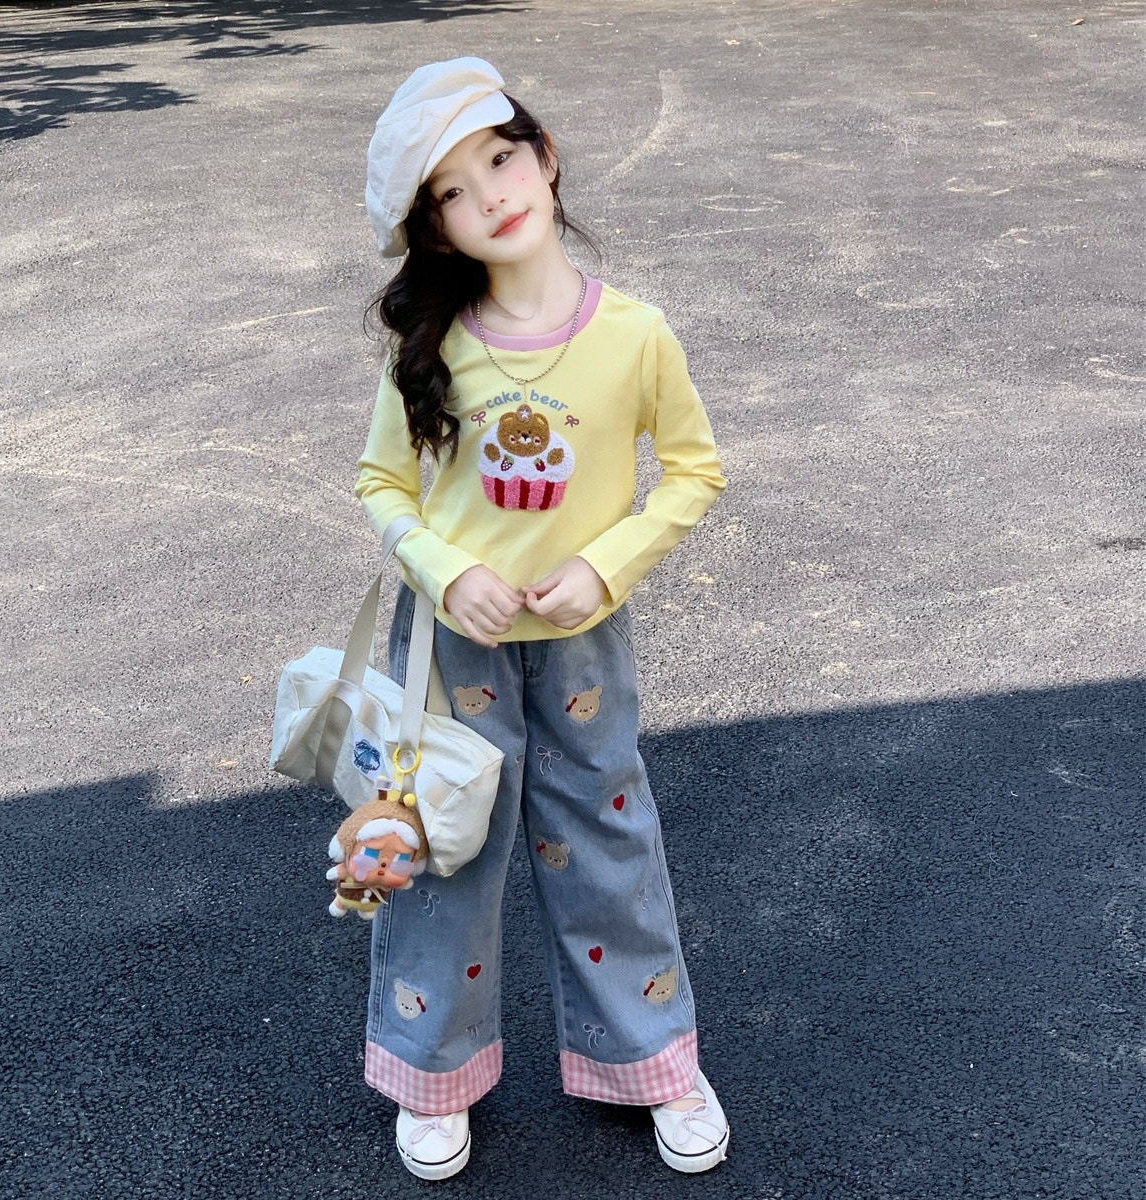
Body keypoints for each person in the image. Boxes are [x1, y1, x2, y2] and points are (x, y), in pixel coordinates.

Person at [353, 57, 729, 1180]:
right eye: (453, 190)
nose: (491, 195)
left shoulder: (636, 334)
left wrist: (606, 569)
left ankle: (652, 1058)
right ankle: (431, 1073)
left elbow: (694, 471)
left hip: (580, 644)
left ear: (547, 157)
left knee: (610, 845)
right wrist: (443, 569)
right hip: (449, 645)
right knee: (443, 850)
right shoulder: (436, 345)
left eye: (501, 159)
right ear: (438, 228)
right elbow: (383, 483)